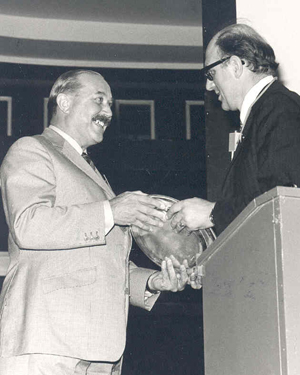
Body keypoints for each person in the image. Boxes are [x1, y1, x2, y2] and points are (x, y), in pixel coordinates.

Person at [0, 70, 191, 375]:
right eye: (99, 100)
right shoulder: (32, 149)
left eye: (111, 104)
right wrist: (111, 212)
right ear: (63, 101)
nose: (108, 111)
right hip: (48, 342)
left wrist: (153, 281)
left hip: (100, 351)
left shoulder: (93, 173)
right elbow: (29, 224)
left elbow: (99, 259)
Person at [167, 23, 300, 236]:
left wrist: (213, 213)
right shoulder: (268, 110)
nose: (209, 86)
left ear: (235, 65)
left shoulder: (278, 109)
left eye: (211, 74)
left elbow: (284, 200)